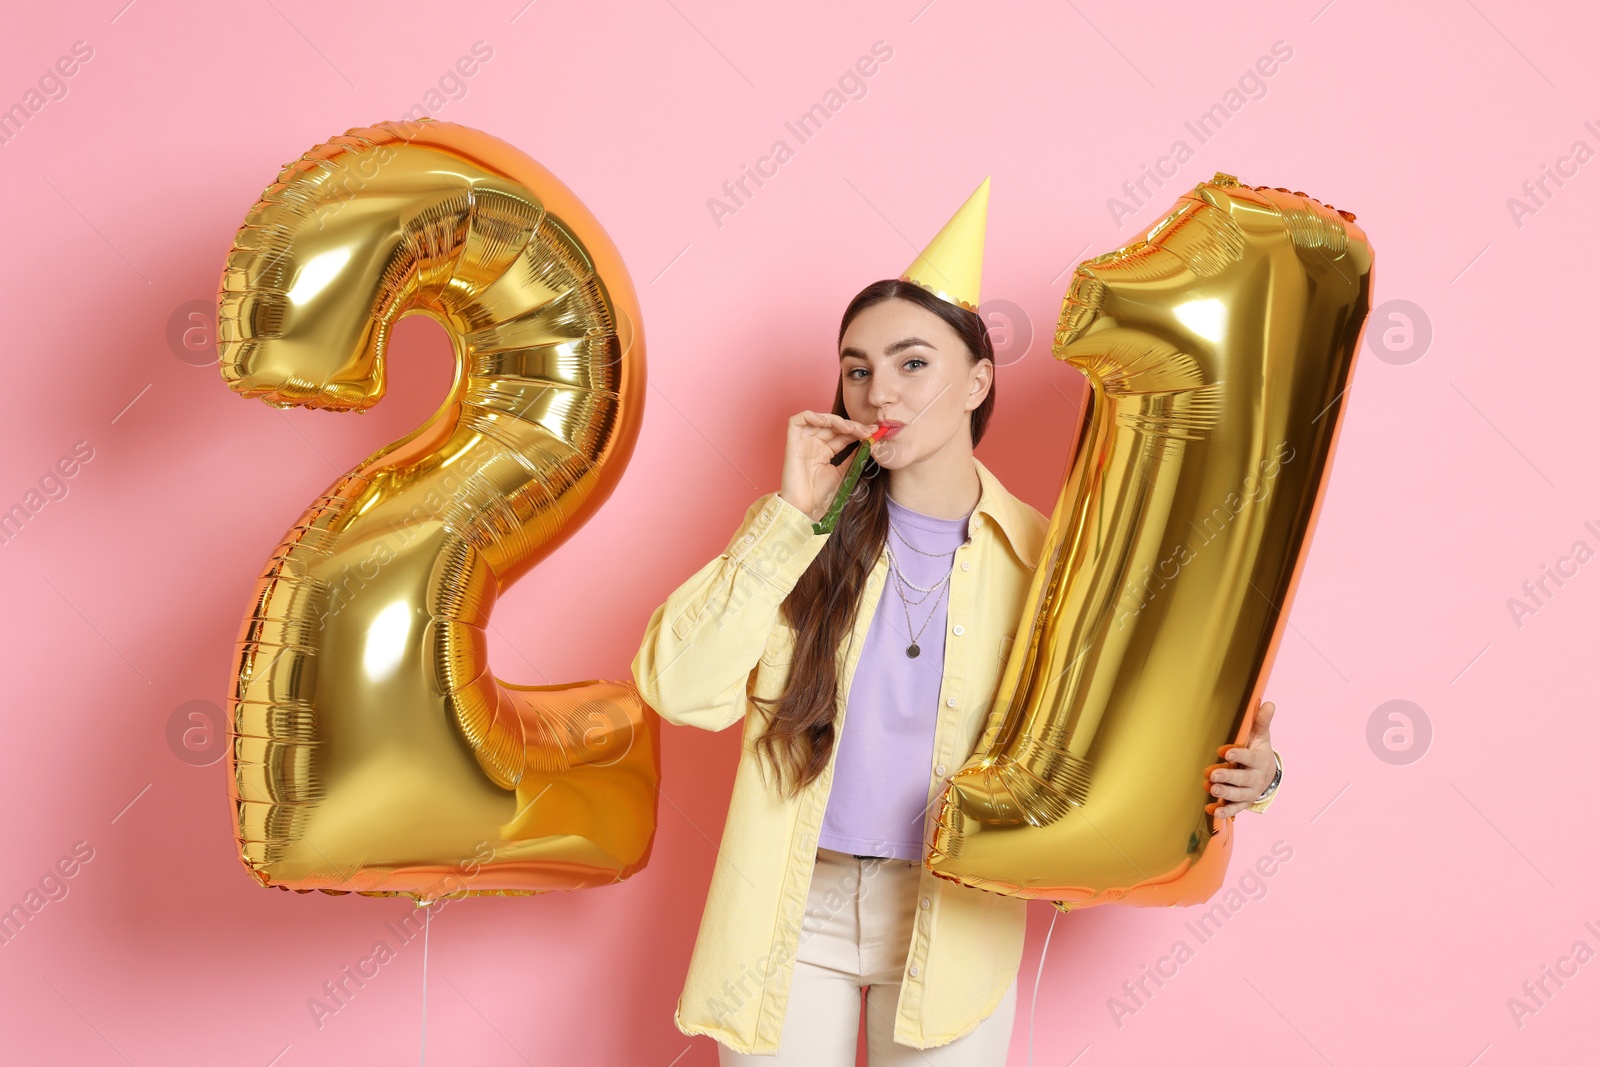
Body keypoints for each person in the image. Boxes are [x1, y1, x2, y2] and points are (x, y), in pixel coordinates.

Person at [630, 178, 1283, 1065]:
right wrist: (789, 516)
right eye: (856, 368)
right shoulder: (797, 538)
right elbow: (678, 687)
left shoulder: (1050, 562)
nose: (877, 393)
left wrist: (1254, 771)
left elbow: (1128, 728)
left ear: (978, 379)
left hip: (955, 914)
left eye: (910, 363)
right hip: (791, 908)